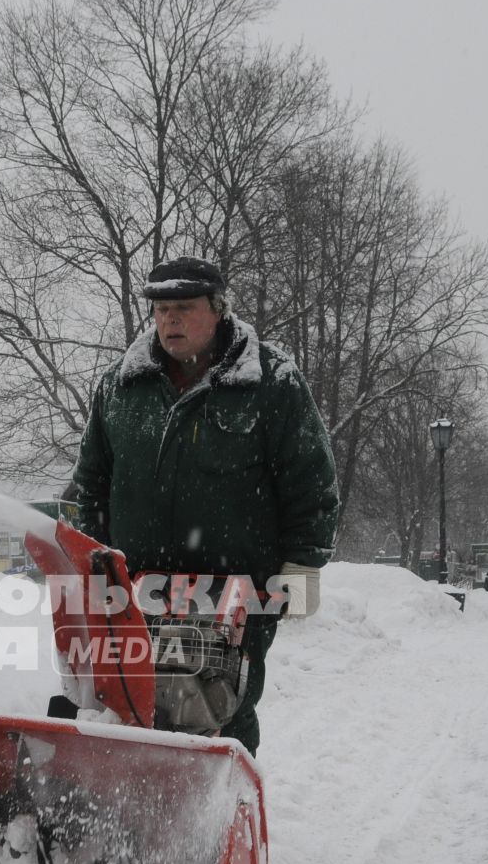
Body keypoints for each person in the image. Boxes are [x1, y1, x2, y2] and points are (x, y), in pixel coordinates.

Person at [70, 256, 340, 753]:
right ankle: (142, 816)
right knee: (132, 707)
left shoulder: (271, 383)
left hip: (240, 594)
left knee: (223, 707)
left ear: (217, 310)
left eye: (184, 308)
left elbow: (310, 478)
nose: (170, 320)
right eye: (161, 309)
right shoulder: (120, 387)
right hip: (140, 590)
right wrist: (93, 560)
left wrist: (303, 564)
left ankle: (222, 812)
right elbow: (90, 484)